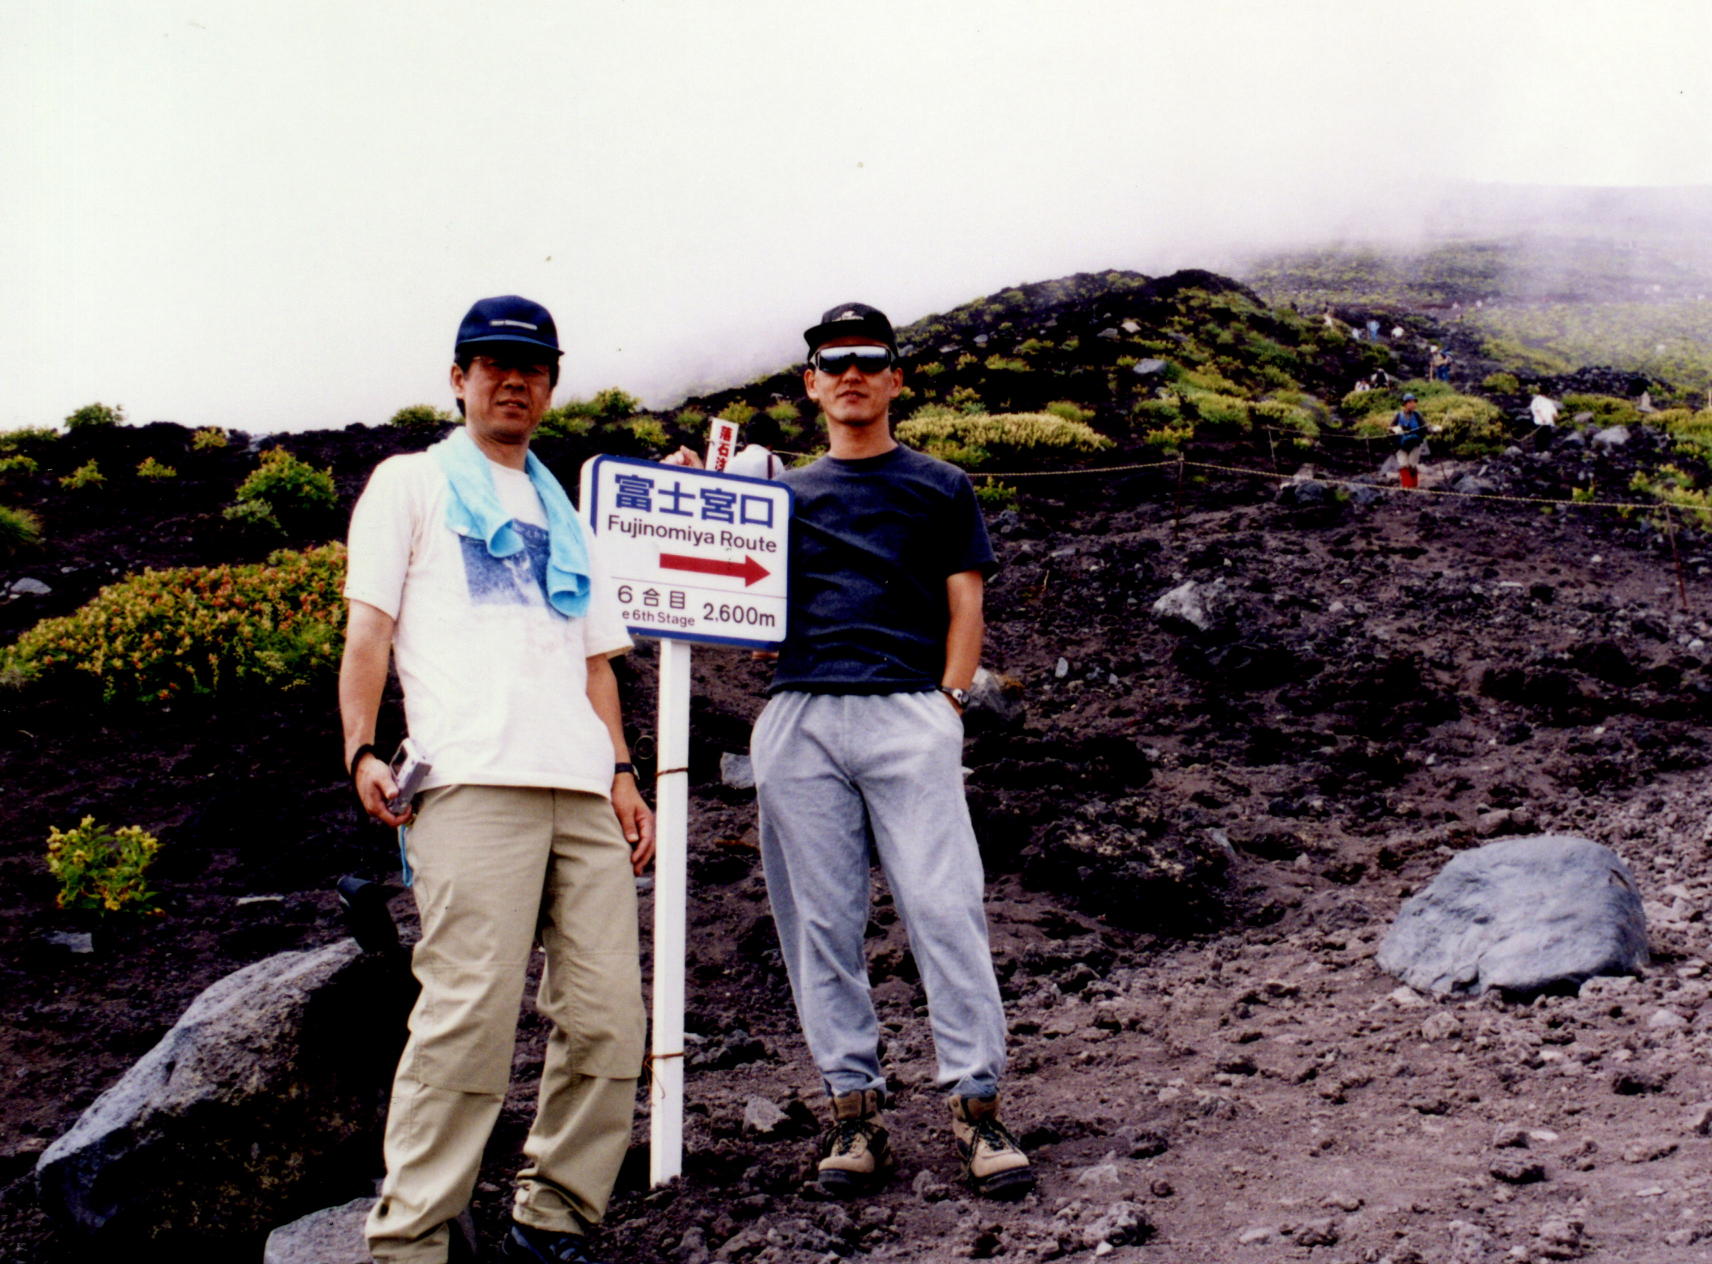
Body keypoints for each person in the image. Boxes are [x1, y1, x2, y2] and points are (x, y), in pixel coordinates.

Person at [340, 295, 653, 1264]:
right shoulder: (410, 483)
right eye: (490, 362)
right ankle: (410, 1240)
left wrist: (622, 770)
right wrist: (360, 747)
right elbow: (368, 631)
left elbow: (596, 659)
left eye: (530, 367)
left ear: (550, 385)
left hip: (579, 786)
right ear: (458, 375)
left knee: (608, 1018)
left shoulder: (563, 508)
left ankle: (552, 1217)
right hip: (471, 781)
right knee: (467, 1017)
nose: (510, 380)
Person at [750, 303, 1033, 1201]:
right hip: (800, 713)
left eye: (870, 359)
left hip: (909, 710)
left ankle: (979, 1107)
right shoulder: (783, 496)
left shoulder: (941, 486)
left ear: (895, 377)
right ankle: (852, 1111)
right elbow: (725, 591)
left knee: (944, 906)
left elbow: (966, 603)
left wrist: (949, 702)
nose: (852, 374)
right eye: (834, 361)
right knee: (821, 921)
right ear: (811, 381)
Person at [1391, 391, 1429, 489]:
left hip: (1415, 444)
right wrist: (1395, 429)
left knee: (1412, 465)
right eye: (1410, 402)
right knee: (1403, 465)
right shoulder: (1398, 415)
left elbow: (1425, 427)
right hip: (1401, 444)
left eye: (1414, 402)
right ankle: (1406, 487)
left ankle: (1414, 487)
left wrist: (1433, 429)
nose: (1413, 404)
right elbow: (1390, 427)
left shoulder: (1417, 415)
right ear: (1405, 404)